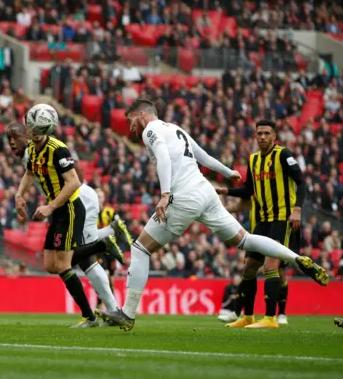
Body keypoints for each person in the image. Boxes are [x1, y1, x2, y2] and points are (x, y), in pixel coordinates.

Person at [95, 99, 328, 331]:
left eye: (131, 121)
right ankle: (295, 258)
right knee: (244, 239)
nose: (131, 127)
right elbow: (203, 157)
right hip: (205, 192)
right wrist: (228, 172)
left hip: (183, 196)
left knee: (140, 249)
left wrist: (165, 194)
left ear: (143, 115)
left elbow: (164, 158)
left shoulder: (151, 130)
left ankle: (127, 313)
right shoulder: (177, 129)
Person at [6, 123, 130, 324]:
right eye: (9, 139)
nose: (12, 142)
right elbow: (29, 174)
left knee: (80, 260)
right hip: (61, 206)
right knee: (60, 263)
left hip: (78, 202)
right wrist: (20, 195)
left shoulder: (51, 149)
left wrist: (52, 204)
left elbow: (76, 179)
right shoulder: (31, 155)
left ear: (27, 136)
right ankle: (106, 237)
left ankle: (108, 309)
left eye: (16, 137)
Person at [216, 120, 304, 328]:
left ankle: (271, 318)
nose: (262, 137)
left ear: (274, 136)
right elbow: (248, 190)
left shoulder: (284, 155)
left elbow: (301, 181)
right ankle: (247, 316)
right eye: (259, 134)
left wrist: (297, 209)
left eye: (266, 133)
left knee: (272, 266)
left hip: (282, 218)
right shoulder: (253, 160)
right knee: (249, 268)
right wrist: (226, 191)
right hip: (262, 221)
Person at [95, 189, 125, 310]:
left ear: (104, 198)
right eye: (96, 196)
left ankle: (109, 306)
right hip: (97, 249)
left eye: (100, 196)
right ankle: (103, 305)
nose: (98, 198)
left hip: (110, 249)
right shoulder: (91, 213)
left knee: (111, 279)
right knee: (104, 275)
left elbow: (119, 228)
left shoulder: (110, 212)